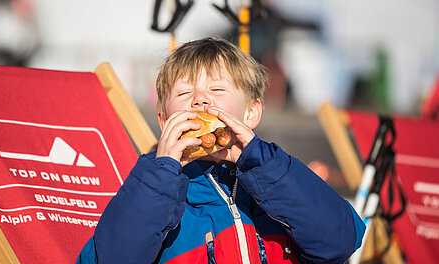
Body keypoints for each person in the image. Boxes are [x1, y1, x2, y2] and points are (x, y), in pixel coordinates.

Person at [76, 37, 365, 264]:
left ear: (251, 113)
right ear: (164, 119)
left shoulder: (276, 176)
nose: (200, 101)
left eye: (216, 90)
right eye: (184, 93)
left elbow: (341, 243)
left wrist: (259, 161)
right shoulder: (152, 186)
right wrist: (163, 169)